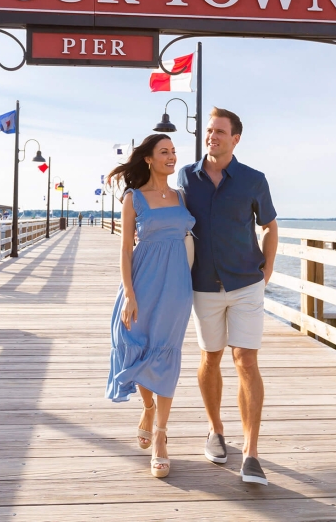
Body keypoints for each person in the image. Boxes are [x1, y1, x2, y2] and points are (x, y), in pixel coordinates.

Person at [177, 107, 278, 486]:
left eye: (220, 131)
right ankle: (215, 430)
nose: (212, 137)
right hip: (203, 284)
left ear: (236, 138)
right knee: (211, 357)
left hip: (245, 284)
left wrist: (266, 271)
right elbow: (166, 207)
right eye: (209, 131)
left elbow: (269, 226)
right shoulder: (187, 176)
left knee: (245, 360)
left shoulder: (254, 180)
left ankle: (251, 453)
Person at [106, 134, 195, 478]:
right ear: (148, 158)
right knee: (135, 343)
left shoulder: (182, 196)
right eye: (164, 152)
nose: (172, 157)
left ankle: (161, 434)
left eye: (173, 152)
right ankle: (147, 406)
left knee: (165, 350)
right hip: (142, 280)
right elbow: (126, 248)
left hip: (176, 284)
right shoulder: (134, 198)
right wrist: (129, 293)